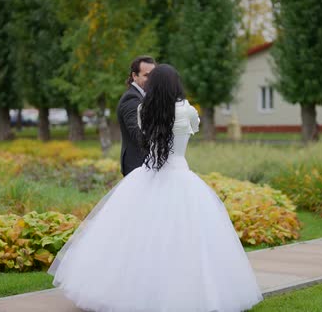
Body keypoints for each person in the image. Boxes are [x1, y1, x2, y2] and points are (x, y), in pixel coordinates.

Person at [48, 64, 263, 312]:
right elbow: (192, 129)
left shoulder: (143, 110)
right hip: (181, 175)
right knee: (188, 239)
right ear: (176, 84)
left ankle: (129, 293)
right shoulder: (188, 111)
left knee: (134, 238)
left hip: (146, 176)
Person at [117, 56, 156, 176]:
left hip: (145, 162)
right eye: (146, 75)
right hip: (137, 164)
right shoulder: (131, 99)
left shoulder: (145, 96)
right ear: (134, 76)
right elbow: (137, 134)